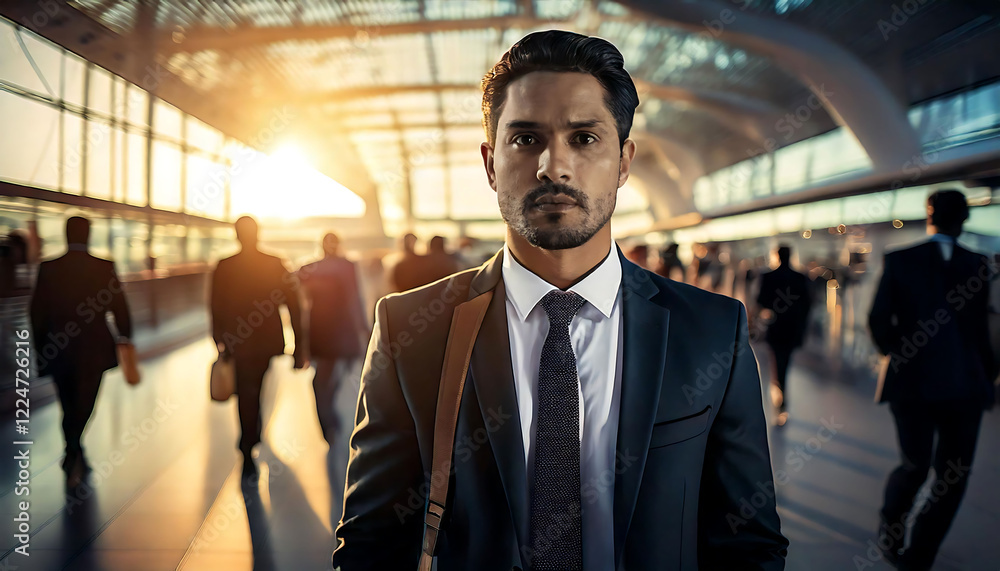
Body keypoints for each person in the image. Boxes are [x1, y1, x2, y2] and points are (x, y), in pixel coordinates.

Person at [334, 30, 787, 570]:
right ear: (490, 163)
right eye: (526, 139)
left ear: (623, 162)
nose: (554, 166)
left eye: (585, 138)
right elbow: (371, 545)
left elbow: (747, 544)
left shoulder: (711, 330)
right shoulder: (412, 329)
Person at [869, 189, 998, 570]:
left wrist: (901, 356)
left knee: (914, 465)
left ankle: (893, 528)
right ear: (966, 219)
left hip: (912, 385)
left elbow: (879, 320)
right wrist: (986, 375)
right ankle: (920, 554)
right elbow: (984, 329)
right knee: (953, 475)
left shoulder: (900, 260)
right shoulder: (979, 265)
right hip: (967, 387)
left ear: (929, 215)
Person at [29, 216, 133, 487]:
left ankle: (72, 447)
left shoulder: (49, 268)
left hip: (58, 346)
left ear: (66, 235)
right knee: (86, 400)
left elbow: (37, 312)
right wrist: (125, 335)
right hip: (94, 347)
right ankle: (74, 446)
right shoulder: (103, 267)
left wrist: (40, 347)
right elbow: (119, 305)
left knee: (66, 400)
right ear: (88, 235)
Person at [210, 216, 305, 478]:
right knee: (256, 387)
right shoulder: (274, 264)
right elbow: (294, 305)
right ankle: (251, 437)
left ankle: (248, 442)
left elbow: (215, 305)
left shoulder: (225, 266)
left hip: (236, 341)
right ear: (258, 234)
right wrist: (299, 345)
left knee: (246, 391)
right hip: (265, 341)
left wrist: (218, 339)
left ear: (236, 235)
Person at [298, 232, 367, 443]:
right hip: (344, 332)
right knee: (341, 379)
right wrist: (365, 330)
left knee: (321, 382)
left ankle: (329, 426)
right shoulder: (348, 266)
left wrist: (300, 341)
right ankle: (338, 423)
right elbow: (355, 300)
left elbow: (300, 304)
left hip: (320, 332)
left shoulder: (308, 269)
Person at [755, 245, 812, 426]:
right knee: (784, 363)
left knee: (777, 362)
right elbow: (807, 304)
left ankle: (780, 396)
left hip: (776, 327)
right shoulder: (800, 278)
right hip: (793, 328)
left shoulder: (769, 276)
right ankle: (781, 396)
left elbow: (761, 300)